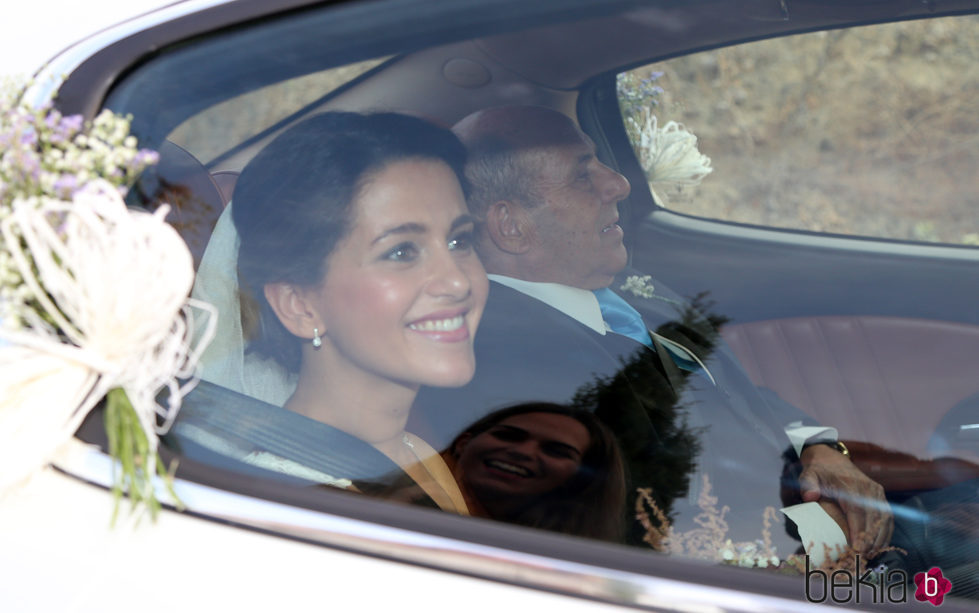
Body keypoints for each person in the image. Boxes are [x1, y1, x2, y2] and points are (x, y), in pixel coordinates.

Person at [410, 105, 893, 552]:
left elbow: (734, 395)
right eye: (583, 175)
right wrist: (825, 531)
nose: (618, 183)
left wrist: (822, 448)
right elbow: (657, 516)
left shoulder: (633, 291)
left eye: (600, 162)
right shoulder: (507, 359)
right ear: (511, 226)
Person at [171, 111, 489, 514]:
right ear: (299, 305)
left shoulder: (413, 451)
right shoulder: (294, 511)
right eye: (401, 251)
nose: (458, 281)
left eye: (460, 241)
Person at [445, 402, 627, 542]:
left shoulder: (565, 564)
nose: (522, 452)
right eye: (507, 436)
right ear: (463, 443)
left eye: (556, 451)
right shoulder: (418, 494)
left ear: (580, 480)